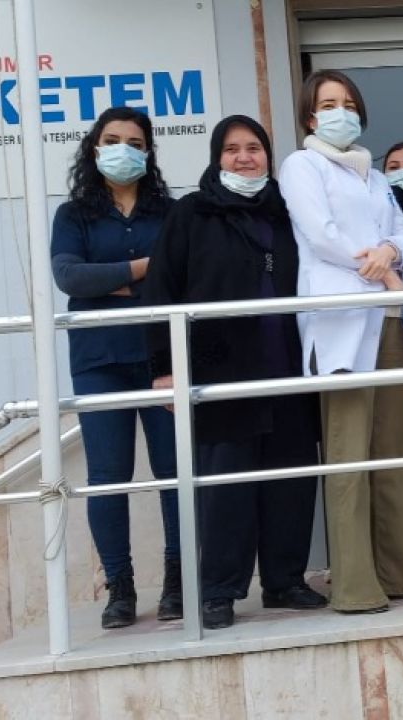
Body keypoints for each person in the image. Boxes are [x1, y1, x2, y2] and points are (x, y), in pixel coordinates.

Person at [145, 115, 327, 629]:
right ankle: (219, 592)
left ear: (268, 156)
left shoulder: (287, 211)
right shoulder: (192, 213)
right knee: (226, 490)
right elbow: (161, 290)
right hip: (222, 373)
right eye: (232, 149)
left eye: (254, 148)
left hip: (288, 368)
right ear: (216, 157)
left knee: (290, 482)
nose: (244, 158)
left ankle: (285, 581)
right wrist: (164, 368)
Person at [278, 70, 403, 613]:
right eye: (328, 104)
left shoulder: (375, 174)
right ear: (310, 116)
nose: (340, 112)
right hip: (342, 321)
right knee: (349, 457)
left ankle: (399, 573)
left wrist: (391, 253)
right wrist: (380, 265)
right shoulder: (302, 165)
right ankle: (356, 586)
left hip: (389, 318)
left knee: (396, 454)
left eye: (348, 103)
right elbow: (321, 235)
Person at [50, 107, 182, 629]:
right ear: (94, 147)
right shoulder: (73, 215)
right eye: (111, 140)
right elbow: (70, 278)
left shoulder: (170, 212)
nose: (122, 149)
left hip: (162, 357)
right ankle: (120, 589)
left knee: (175, 472)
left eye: (134, 142)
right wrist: (145, 269)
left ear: (148, 152)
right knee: (108, 478)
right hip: (99, 360)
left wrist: (110, 282)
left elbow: (183, 276)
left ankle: (178, 583)